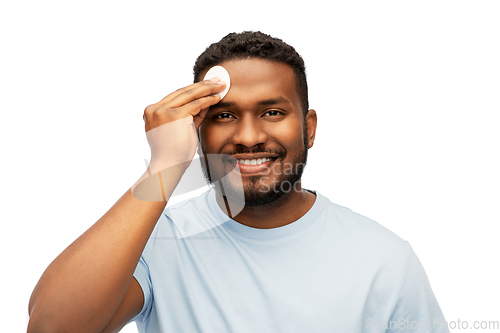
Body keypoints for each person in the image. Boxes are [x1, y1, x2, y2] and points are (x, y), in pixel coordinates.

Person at [28, 31, 449, 333]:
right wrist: (164, 166)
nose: (248, 137)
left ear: (309, 127)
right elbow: (50, 327)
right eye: (224, 116)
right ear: (196, 131)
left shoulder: (385, 260)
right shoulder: (156, 243)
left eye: (272, 112)